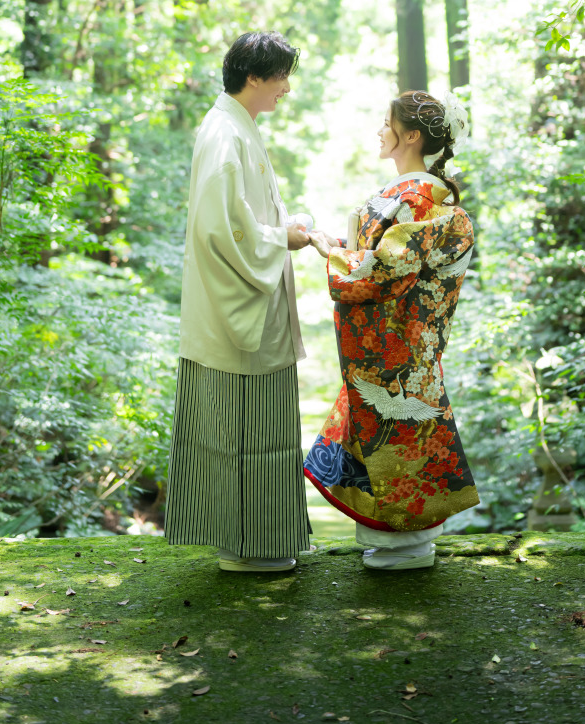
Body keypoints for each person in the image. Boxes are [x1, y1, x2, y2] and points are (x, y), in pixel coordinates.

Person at [305, 90, 480, 571]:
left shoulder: (410, 198)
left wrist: (332, 254)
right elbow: (388, 257)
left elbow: (383, 268)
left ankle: (403, 547)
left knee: (397, 433)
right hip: (411, 343)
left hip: (392, 344)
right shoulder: (422, 198)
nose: (380, 130)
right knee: (406, 428)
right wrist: (342, 247)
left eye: (387, 123)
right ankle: (406, 544)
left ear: (411, 135)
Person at [164, 31, 312, 573]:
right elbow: (218, 229)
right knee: (242, 432)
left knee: (253, 430)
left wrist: (282, 226)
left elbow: (240, 217)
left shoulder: (234, 126)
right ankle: (249, 547)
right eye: (281, 77)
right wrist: (283, 239)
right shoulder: (225, 133)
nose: (286, 89)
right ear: (255, 77)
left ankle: (258, 543)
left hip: (251, 301)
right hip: (239, 310)